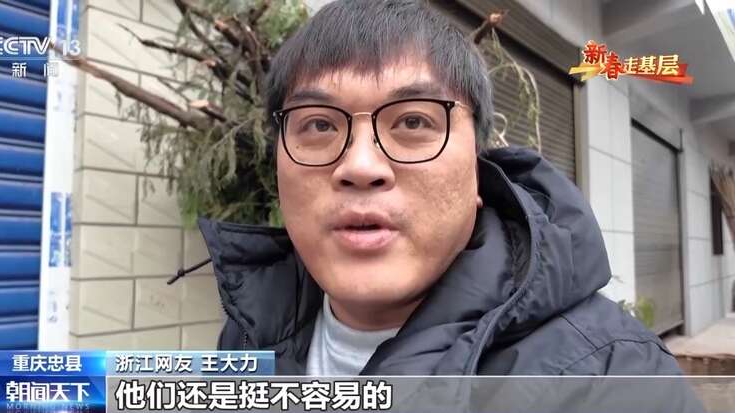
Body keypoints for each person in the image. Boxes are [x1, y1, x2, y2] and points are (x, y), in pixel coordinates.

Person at [199, 0, 684, 376]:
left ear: (477, 171)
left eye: (413, 121)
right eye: (319, 125)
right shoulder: (248, 334)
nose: (360, 166)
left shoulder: (614, 375)